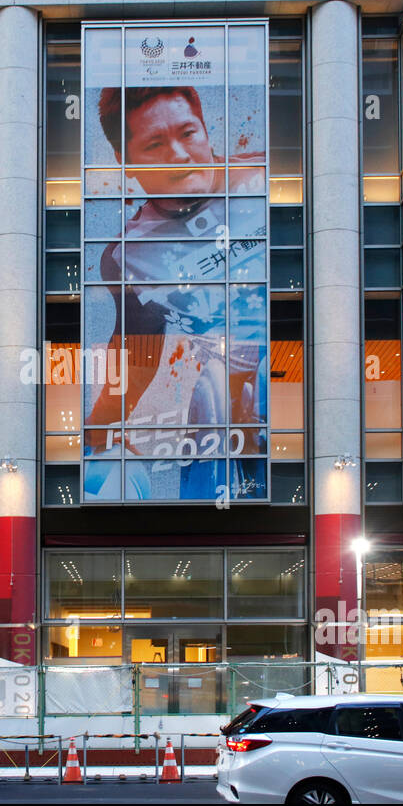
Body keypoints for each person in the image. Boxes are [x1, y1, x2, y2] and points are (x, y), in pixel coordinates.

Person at [85, 85, 267, 499]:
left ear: (206, 130)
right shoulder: (130, 256)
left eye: (188, 133)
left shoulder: (265, 178)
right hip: (221, 399)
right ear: (124, 161)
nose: (180, 155)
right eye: (154, 144)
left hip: (285, 377)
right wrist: (97, 431)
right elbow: (138, 357)